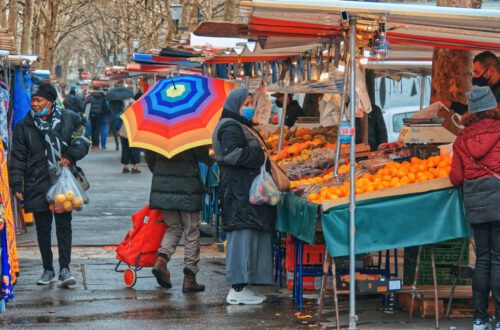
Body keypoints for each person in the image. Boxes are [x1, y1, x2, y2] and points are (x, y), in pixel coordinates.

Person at [10, 81, 90, 287]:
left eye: (39, 100)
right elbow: (17, 158)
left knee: (64, 227)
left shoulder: (68, 119)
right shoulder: (24, 126)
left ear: (51, 101)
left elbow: (82, 141)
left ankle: (65, 269)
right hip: (36, 182)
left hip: (62, 184)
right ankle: (48, 269)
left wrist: (70, 156)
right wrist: (17, 184)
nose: (34, 104)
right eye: (33, 100)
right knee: (43, 229)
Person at [213, 88, 276, 305]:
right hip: (239, 193)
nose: (250, 107)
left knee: (250, 235)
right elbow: (233, 154)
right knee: (241, 237)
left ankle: (244, 286)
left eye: (251, 102)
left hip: (244, 191)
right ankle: (237, 288)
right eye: (246, 103)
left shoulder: (240, 125)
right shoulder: (230, 126)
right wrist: (260, 154)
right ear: (235, 104)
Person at [449, 86, 500, 330]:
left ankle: (479, 319)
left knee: (482, 259)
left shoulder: (461, 138)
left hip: (476, 203)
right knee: (499, 260)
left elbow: (456, 178)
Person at [146, 146, 210, 293]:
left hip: (163, 188)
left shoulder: (156, 130)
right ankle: (190, 278)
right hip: (187, 187)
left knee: (173, 227)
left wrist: (162, 174)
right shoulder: (190, 130)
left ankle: (161, 261)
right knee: (191, 231)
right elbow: (203, 156)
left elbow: (150, 159)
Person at [434, 51, 499, 115]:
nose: (474, 77)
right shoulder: (487, 89)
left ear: (491, 71)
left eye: (477, 73)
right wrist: (451, 104)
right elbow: (474, 109)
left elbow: (479, 113)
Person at [116, 99, 141, 174]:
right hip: (133, 134)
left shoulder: (125, 112)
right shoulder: (137, 113)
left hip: (124, 134)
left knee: (125, 150)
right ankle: (134, 167)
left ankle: (125, 167)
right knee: (135, 150)